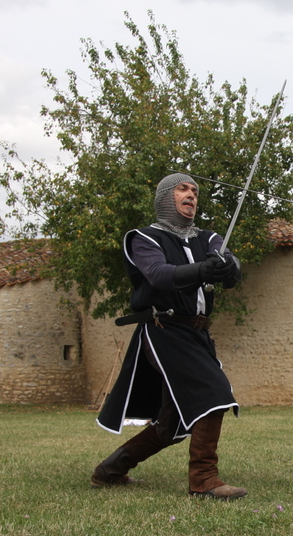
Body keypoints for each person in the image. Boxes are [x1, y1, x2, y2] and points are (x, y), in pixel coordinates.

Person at [91, 173, 247, 500]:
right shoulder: (143, 238)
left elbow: (228, 265)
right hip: (165, 329)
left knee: (172, 423)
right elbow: (159, 274)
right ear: (165, 197)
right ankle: (204, 479)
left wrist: (229, 266)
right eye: (182, 189)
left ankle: (109, 471)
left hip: (199, 333)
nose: (191, 195)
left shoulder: (208, 237)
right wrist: (204, 270)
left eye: (195, 191)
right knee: (214, 392)